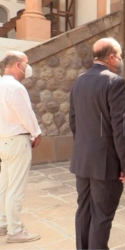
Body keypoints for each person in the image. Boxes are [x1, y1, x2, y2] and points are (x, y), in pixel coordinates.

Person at [69, 37, 125, 249]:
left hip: (83, 159)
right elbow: (120, 128)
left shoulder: (78, 80)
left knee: (84, 210)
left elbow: (73, 120)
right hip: (105, 164)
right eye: (120, 57)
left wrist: (84, 145)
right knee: (102, 216)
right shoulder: (115, 82)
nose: (121, 61)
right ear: (112, 57)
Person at [0, 51, 42, 242]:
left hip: (4, 140)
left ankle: (3, 222)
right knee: (16, 187)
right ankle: (15, 231)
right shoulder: (15, 88)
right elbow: (26, 114)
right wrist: (36, 133)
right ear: (18, 65)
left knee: (5, 185)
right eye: (26, 63)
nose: (28, 67)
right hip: (17, 141)